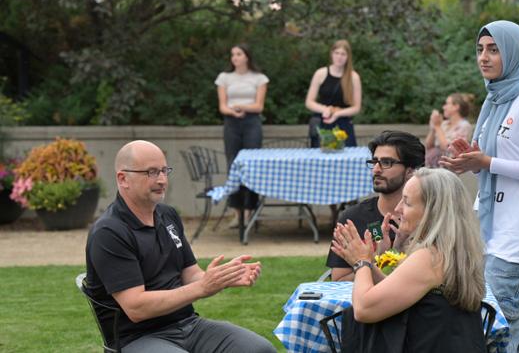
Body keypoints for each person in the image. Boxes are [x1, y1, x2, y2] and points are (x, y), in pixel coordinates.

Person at [440, 20, 519, 353]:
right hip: (494, 233)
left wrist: (487, 163)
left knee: (494, 339)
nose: (484, 57)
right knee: (515, 338)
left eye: (494, 49)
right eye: (480, 49)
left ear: (514, 52)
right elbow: (491, 168)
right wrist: (470, 162)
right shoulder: (495, 100)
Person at [85, 140, 276, 353]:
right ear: (123, 178)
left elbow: (191, 273)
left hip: (188, 325)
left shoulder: (167, 215)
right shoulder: (109, 232)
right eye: (151, 172)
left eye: (164, 171)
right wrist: (201, 288)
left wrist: (221, 278)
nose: (162, 180)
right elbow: (136, 307)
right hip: (136, 338)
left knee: (260, 349)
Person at [331, 168, 486, 352]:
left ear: (432, 211)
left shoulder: (429, 258)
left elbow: (364, 309)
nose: (397, 209)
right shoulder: (451, 251)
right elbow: (402, 289)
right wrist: (370, 264)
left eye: (407, 202)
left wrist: (361, 263)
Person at [325, 130, 425, 281]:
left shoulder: (430, 216)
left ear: (410, 171)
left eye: (386, 163)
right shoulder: (353, 218)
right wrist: (375, 258)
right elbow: (338, 281)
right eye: (374, 162)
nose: (376, 170)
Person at [215, 44, 269, 227]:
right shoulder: (224, 78)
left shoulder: (259, 78)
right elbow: (222, 106)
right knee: (233, 165)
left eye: (238, 54)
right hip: (231, 124)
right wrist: (233, 111)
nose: (235, 57)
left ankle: (249, 213)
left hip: (252, 123)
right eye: (232, 54)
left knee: (252, 166)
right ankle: (236, 213)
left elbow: (259, 106)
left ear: (247, 56)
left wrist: (240, 107)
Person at [305, 39, 362, 148]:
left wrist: (337, 113)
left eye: (343, 54)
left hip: (343, 125)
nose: (339, 57)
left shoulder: (354, 77)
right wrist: (325, 110)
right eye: (337, 53)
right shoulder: (320, 73)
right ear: (331, 54)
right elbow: (309, 102)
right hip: (323, 123)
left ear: (348, 57)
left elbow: (356, 108)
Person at [424, 92, 474, 168]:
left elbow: (447, 149)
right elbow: (428, 146)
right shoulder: (444, 124)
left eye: (447, 104)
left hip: (446, 172)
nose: (444, 107)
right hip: (431, 167)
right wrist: (433, 127)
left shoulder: (464, 126)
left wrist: (437, 126)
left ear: (456, 107)